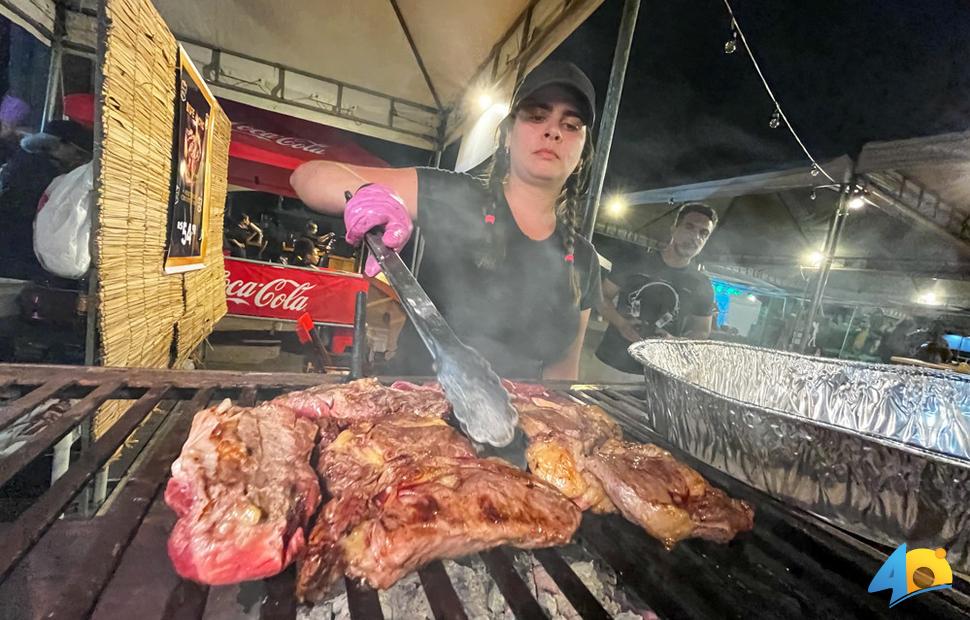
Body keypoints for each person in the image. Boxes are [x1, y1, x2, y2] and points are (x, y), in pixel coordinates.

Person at [290, 61, 602, 380]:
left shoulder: (584, 259)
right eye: (537, 116)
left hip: (517, 421)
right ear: (507, 136)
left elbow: (563, 372)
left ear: (582, 153)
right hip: (418, 413)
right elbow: (309, 176)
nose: (552, 131)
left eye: (571, 124)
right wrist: (365, 194)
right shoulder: (455, 196)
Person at [589, 202, 718, 380]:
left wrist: (673, 342)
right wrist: (621, 323)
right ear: (674, 228)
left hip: (657, 373)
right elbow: (602, 296)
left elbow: (702, 330)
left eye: (704, 233)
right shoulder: (635, 260)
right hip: (609, 362)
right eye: (689, 227)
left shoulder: (701, 284)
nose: (695, 237)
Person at [0, 120, 93, 279]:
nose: (80, 161)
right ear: (60, 145)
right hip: (19, 254)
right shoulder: (41, 171)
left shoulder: (23, 160)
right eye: (78, 154)